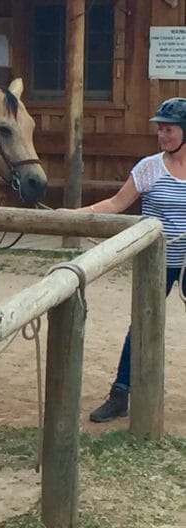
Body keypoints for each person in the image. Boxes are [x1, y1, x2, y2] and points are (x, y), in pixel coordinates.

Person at [65, 97, 186, 422]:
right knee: (141, 326)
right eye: (160, 129)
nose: (162, 135)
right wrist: (72, 216)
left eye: (169, 129)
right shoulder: (148, 168)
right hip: (154, 262)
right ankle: (120, 393)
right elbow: (116, 204)